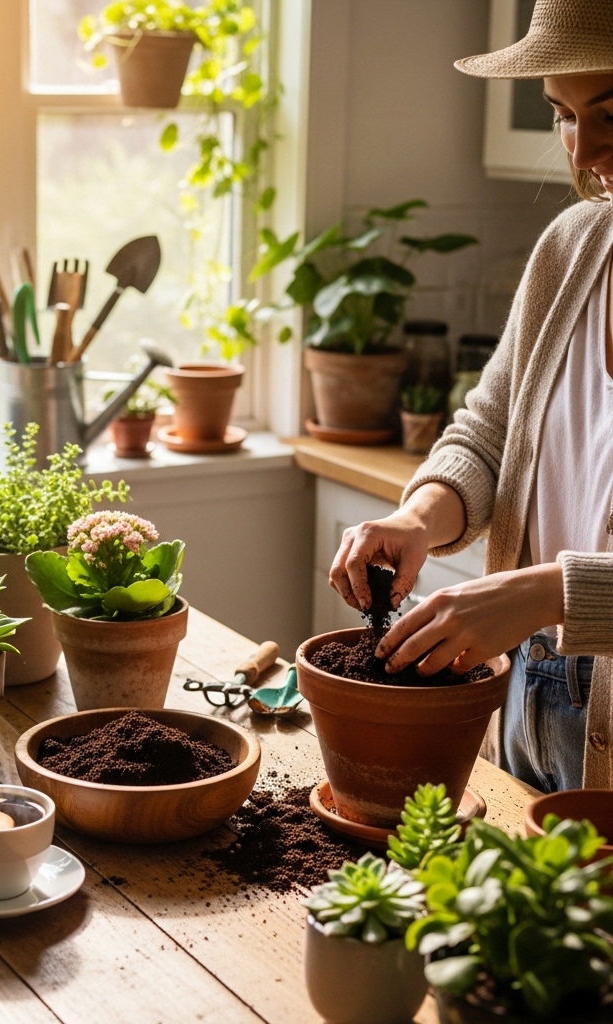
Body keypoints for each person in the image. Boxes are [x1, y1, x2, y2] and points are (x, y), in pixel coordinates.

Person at [328, 0, 613, 793]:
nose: (585, 153)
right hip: (535, 687)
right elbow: (488, 433)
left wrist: (551, 590)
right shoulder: (575, 248)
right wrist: (419, 516)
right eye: (562, 115)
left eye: (610, 112)